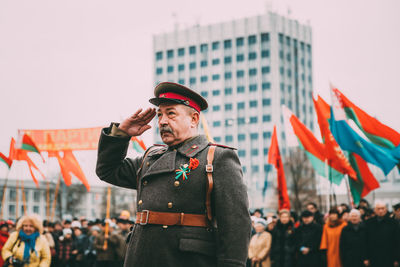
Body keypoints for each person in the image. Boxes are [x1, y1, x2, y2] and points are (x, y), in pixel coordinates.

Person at [96, 82, 251, 266]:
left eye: (171, 113)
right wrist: (121, 133)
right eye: (159, 115)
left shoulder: (216, 157)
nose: (162, 121)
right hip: (141, 258)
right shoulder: (150, 157)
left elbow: (236, 225)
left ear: (194, 119)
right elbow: (108, 170)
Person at [364, 201, 400, 267]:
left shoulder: (393, 223)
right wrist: (366, 258)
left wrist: (396, 259)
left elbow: (397, 242)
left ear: (386, 209)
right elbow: (365, 241)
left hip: (389, 257)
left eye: (382, 208)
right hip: (373, 257)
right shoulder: (368, 223)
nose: (380, 211)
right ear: (374, 210)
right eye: (378, 209)